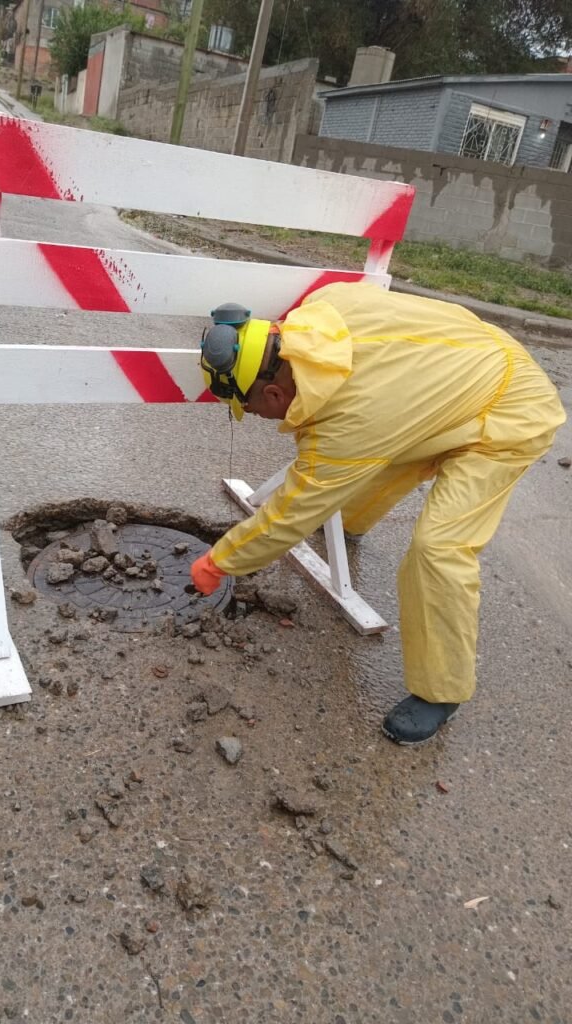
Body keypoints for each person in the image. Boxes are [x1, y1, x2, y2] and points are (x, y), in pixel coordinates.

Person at [190, 282, 566, 745]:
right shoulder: (324, 304)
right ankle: (352, 521)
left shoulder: (349, 426)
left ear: (272, 392)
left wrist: (218, 562)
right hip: (461, 367)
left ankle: (441, 692)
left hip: (512, 411)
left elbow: (287, 517)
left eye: (247, 408)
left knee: (438, 549)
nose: (255, 418)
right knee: (384, 450)